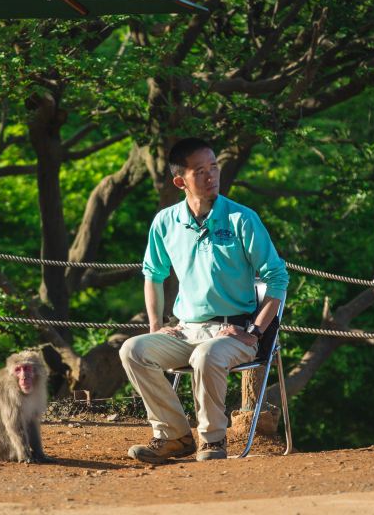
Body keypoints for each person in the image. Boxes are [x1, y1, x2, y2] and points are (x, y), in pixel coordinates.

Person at [119, 137, 288, 463]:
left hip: (235, 333)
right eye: (200, 170)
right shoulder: (165, 221)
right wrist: (156, 326)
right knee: (133, 350)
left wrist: (253, 331)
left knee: (207, 356)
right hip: (185, 330)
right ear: (181, 181)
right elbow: (153, 274)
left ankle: (212, 442)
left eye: (214, 167)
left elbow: (277, 279)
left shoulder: (242, 219)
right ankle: (174, 436)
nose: (211, 175)